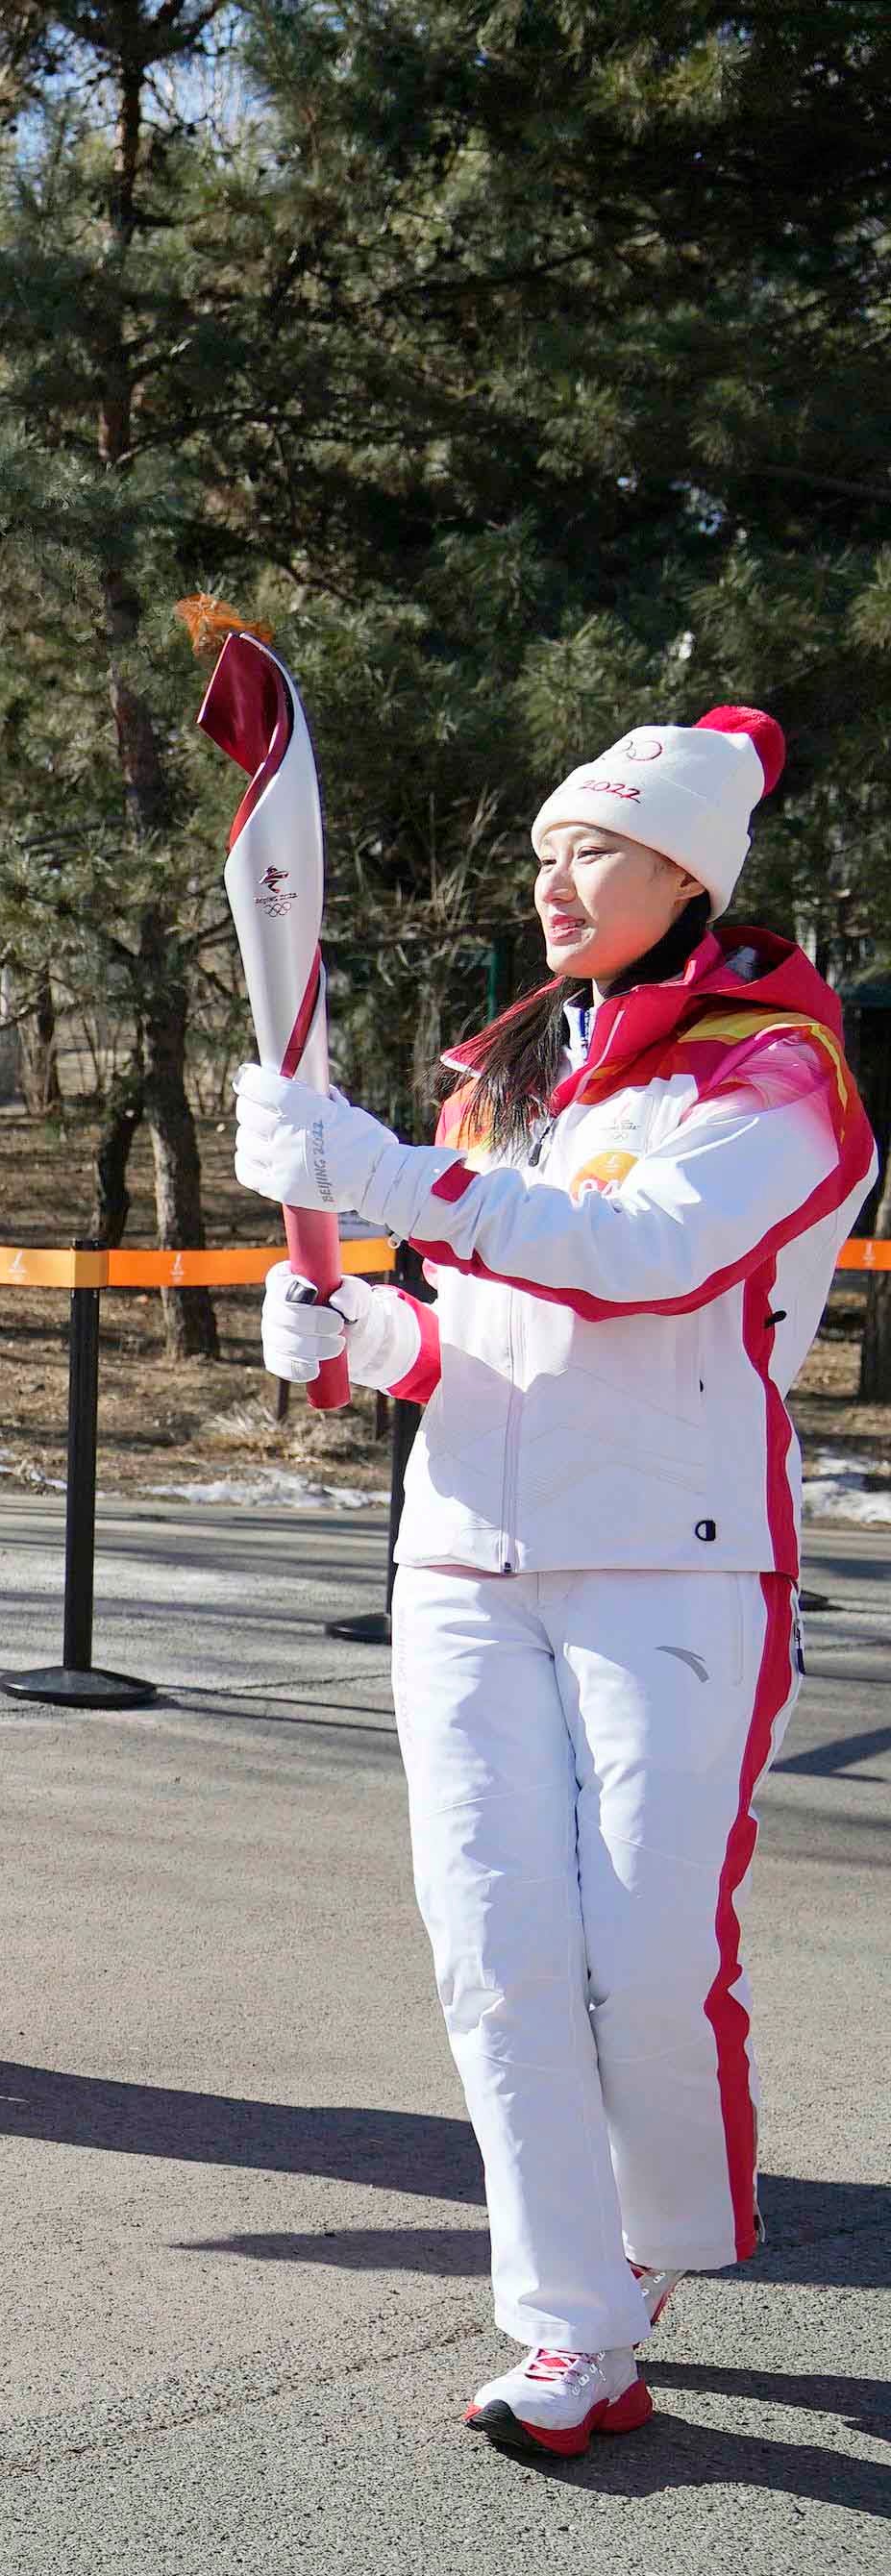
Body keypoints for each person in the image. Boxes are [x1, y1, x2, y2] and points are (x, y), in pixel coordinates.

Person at [235, 705, 871, 2461]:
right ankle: (570, 2320)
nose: (552, 882)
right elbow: (477, 1341)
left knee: (646, 1958)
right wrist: (355, 1330)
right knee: (498, 1952)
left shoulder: (780, 1074)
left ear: (690, 873)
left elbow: (646, 1261)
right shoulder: (507, 1078)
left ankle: (660, 2234)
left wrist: (378, 1169)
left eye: (593, 850)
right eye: (541, 854)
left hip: (674, 1563)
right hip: (464, 1559)